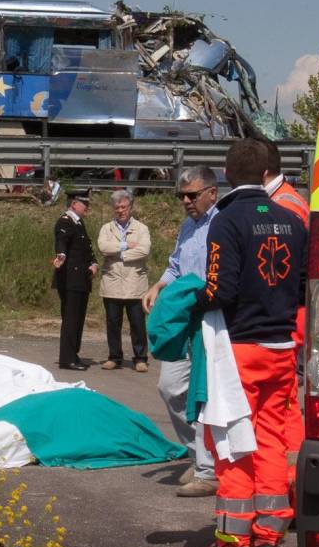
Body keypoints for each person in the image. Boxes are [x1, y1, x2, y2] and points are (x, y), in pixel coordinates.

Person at [184, 138, 307, 547]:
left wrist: (191, 302)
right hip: (281, 347)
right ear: (267, 172)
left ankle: (233, 540)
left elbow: (222, 289)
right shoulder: (292, 220)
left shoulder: (227, 220)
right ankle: (269, 537)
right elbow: (304, 283)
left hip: (240, 349)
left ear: (226, 174)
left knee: (230, 441)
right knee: (272, 437)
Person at [141, 166, 222, 497]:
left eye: (192, 194)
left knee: (203, 395)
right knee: (170, 387)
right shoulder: (189, 227)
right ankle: (199, 454)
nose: (186, 201)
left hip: (211, 318)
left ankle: (209, 470)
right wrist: (160, 284)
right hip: (184, 320)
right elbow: (176, 265)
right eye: (182, 196)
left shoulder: (223, 224)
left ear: (212, 193)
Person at [259, 140, 309, 510]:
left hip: (288, 320)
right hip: (288, 317)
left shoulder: (286, 206)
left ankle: (291, 488)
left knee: (286, 408)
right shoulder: (284, 201)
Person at [96, 189, 150, 372]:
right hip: (112, 282)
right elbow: (103, 247)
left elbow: (144, 250)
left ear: (131, 207)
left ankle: (140, 358)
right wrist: (126, 245)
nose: (120, 210)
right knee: (113, 323)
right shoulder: (106, 228)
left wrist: (119, 254)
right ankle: (114, 357)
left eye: (124, 206)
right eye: (117, 207)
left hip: (135, 282)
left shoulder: (142, 229)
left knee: (137, 323)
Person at [52, 189, 97, 371]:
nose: (87, 207)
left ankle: (73, 354)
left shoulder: (79, 223)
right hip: (70, 279)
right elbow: (61, 241)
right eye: (84, 203)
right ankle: (67, 359)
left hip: (81, 279)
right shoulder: (65, 221)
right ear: (74, 204)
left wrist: (93, 263)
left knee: (78, 319)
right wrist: (61, 255)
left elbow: (86, 249)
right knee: (71, 319)